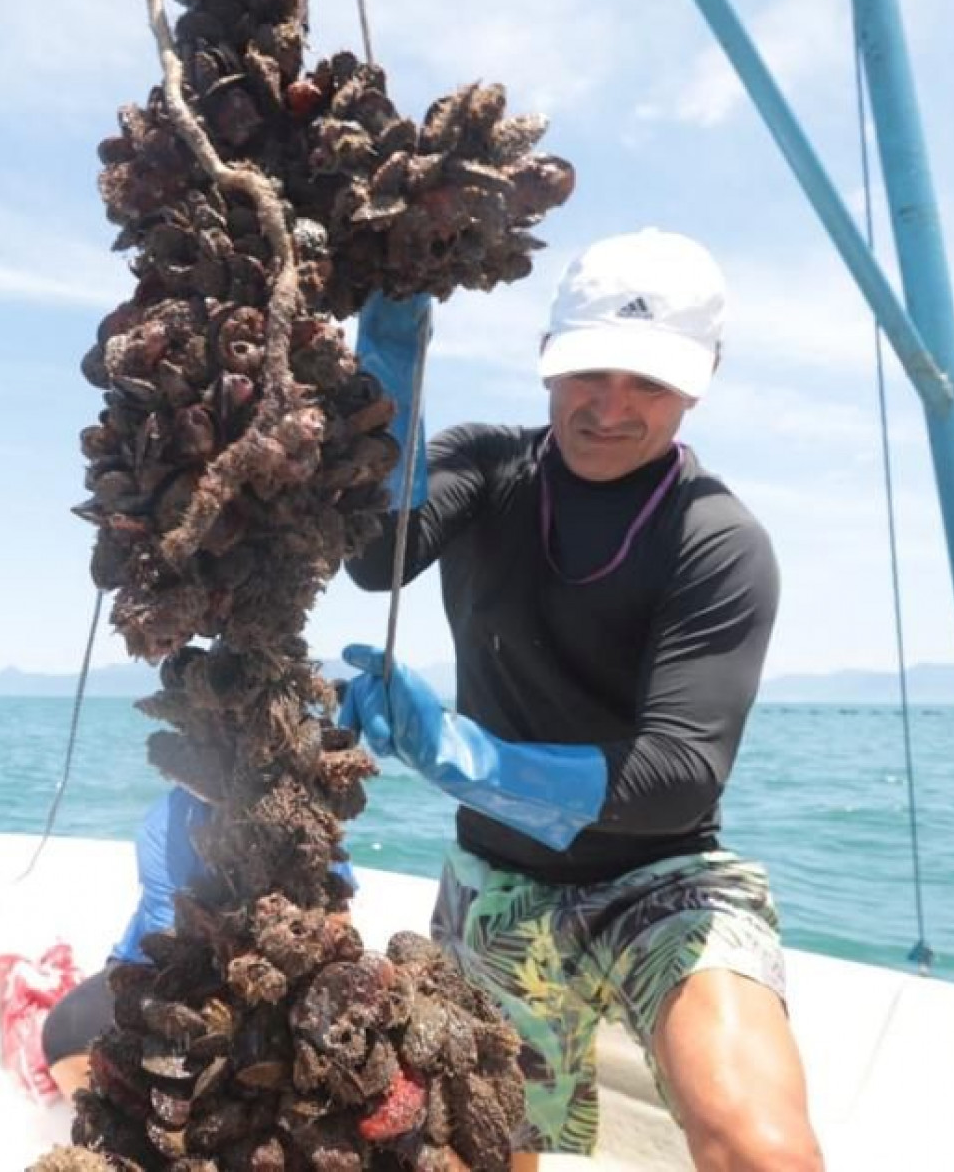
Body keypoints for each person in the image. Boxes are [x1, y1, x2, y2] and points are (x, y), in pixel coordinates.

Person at [341, 228, 823, 1171]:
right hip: (498, 884)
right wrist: (384, 370)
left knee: (757, 1144)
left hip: (663, 881)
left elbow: (678, 775)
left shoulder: (718, 540)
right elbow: (372, 559)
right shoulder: (486, 467)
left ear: (698, 384)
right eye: (588, 373)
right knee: (488, 1149)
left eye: (648, 382)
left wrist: (465, 756)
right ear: (545, 360)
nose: (609, 407)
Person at [42, 785, 210, 1097]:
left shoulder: (305, 815)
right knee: (65, 1031)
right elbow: (169, 946)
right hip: (152, 973)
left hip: (254, 987)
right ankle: (102, 1117)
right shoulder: (167, 824)